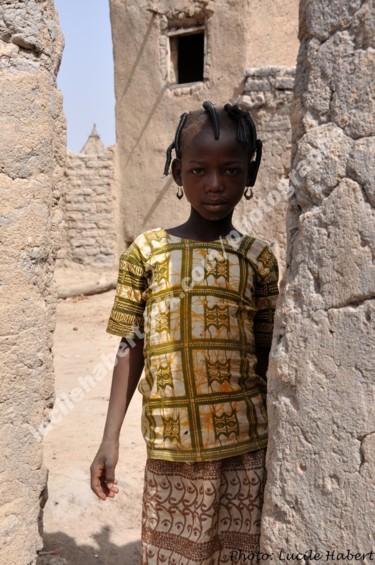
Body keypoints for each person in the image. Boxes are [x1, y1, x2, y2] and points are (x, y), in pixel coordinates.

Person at [90, 101, 279, 564]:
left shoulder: (258, 259)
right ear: (177, 172)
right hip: (172, 449)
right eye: (198, 170)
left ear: (250, 175)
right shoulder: (147, 253)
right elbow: (130, 347)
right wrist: (109, 438)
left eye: (231, 170)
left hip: (246, 447)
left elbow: (267, 356)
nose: (215, 184)